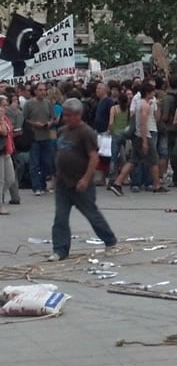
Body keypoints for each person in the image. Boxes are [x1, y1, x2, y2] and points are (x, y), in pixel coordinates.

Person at [49, 98, 118, 261]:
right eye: (64, 115)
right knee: (60, 218)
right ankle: (60, 250)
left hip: (81, 184)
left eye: (68, 115)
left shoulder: (86, 132)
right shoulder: (62, 131)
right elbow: (59, 153)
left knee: (92, 215)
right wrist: (55, 176)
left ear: (78, 115)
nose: (65, 118)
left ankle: (110, 240)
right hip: (63, 184)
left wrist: (86, 179)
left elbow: (94, 158)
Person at [109, 83, 169, 195]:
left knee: (133, 161)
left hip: (139, 136)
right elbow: (143, 123)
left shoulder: (142, 104)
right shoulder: (144, 105)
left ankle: (117, 183)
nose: (154, 93)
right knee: (154, 160)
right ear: (147, 93)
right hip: (144, 136)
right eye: (152, 92)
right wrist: (145, 141)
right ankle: (156, 185)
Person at [23, 82, 55, 195]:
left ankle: (43, 184)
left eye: (44, 90)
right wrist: (34, 123)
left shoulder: (48, 103)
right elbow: (24, 119)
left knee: (47, 163)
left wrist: (49, 123)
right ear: (35, 91)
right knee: (35, 163)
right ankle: (36, 187)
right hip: (34, 137)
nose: (42, 92)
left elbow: (53, 118)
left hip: (47, 136)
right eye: (40, 90)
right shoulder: (29, 104)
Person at [107, 91, 131, 183]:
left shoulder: (114, 109)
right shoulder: (127, 110)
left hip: (116, 134)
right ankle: (124, 177)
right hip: (125, 134)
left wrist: (110, 131)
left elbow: (111, 122)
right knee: (125, 157)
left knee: (114, 157)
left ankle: (112, 178)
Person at [0, 95, 16, 215]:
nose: (5, 108)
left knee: (10, 178)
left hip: (7, 150)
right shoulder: (1, 118)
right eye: (3, 105)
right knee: (1, 179)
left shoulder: (5, 118)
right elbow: (3, 132)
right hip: (0, 151)